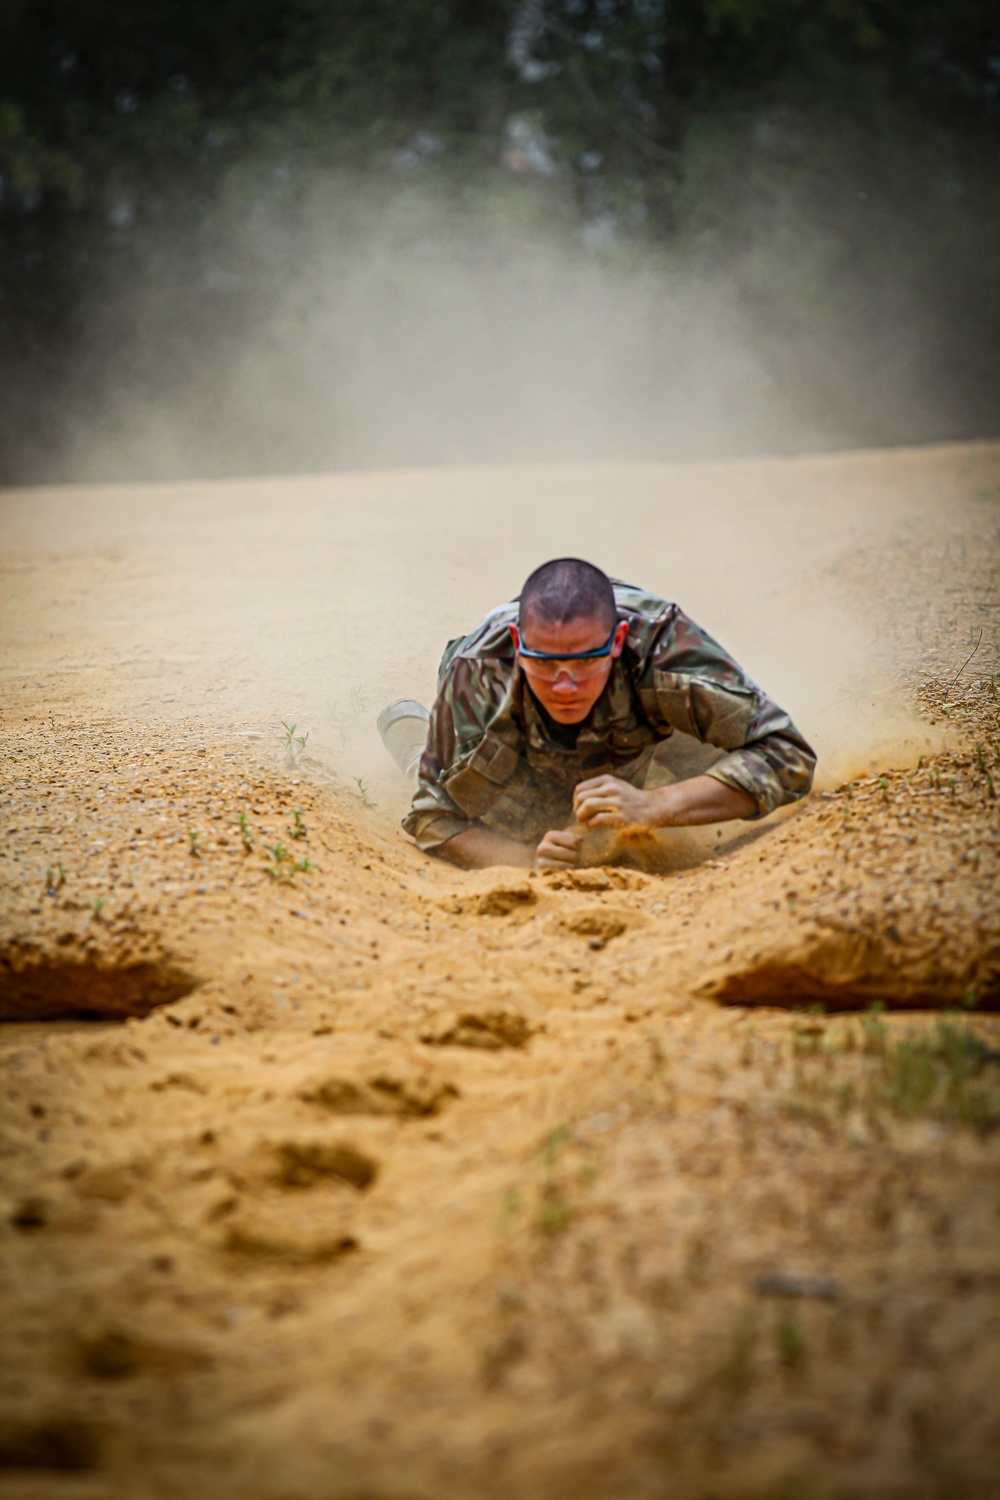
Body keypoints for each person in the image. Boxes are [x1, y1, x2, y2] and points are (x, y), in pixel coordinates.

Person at [378, 558, 815, 871]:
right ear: (517, 642)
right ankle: (414, 732)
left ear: (620, 639)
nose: (564, 686)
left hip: (641, 726)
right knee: (511, 812)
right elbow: (433, 815)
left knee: (711, 759)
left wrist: (654, 805)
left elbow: (787, 754)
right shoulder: (478, 672)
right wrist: (526, 859)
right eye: (545, 664)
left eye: (585, 661)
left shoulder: (664, 647)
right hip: (520, 741)